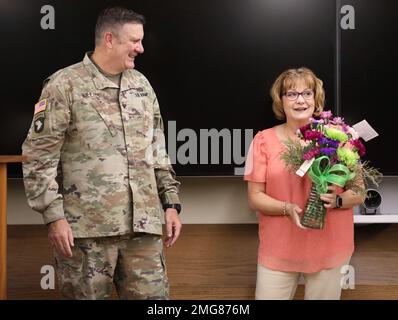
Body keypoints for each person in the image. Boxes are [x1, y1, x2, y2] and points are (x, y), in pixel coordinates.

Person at [22, 6, 182, 300]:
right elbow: (38, 156)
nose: (141, 48)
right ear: (109, 39)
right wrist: (53, 217)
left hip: (143, 230)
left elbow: (158, 150)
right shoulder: (63, 85)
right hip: (86, 234)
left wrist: (170, 203)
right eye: (134, 41)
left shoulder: (142, 86)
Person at [244, 67, 364, 300]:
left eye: (307, 93)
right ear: (281, 101)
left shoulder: (338, 137)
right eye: (291, 94)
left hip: (330, 249)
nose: (300, 100)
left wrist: (337, 200)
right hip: (278, 249)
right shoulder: (262, 141)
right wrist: (286, 209)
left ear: (316, 98)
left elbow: (359, 191)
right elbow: (254, 197)